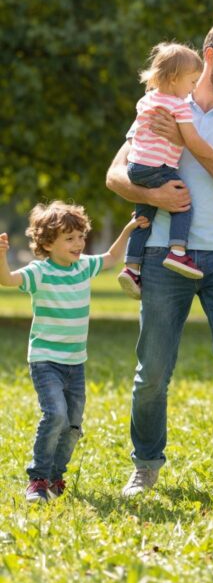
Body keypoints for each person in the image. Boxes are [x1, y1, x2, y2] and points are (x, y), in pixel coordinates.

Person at [106, 19, 213, 501]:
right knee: (153, 370)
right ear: (210, 55)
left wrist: (188, 137)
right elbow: (116, 175)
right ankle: (146, 464)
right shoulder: (160, 99)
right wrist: (153, 194)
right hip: (160, 253)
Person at [0, 202, 143, 502]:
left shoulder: (83, 267)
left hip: (76, 363)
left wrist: (129, 228)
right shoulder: (39, 271)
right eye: (70, 238)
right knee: (55, 415)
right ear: (48, 243)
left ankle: (56, 476)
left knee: (73, 424)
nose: (79, 244)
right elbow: (8, 280)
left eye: (80, 236)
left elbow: (112, 257)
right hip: (45, 361)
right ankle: (37, 478)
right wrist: (1, 256)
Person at [117, 42, 213, 298]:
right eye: (192, 81)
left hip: (136, 167)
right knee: (182, 200)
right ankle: (177, 252)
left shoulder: (146, 99)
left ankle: (131, 267)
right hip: (157, 168)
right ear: (175, 79)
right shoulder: (178, 105)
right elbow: (191, 139)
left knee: (143, 218)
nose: (194, 87)